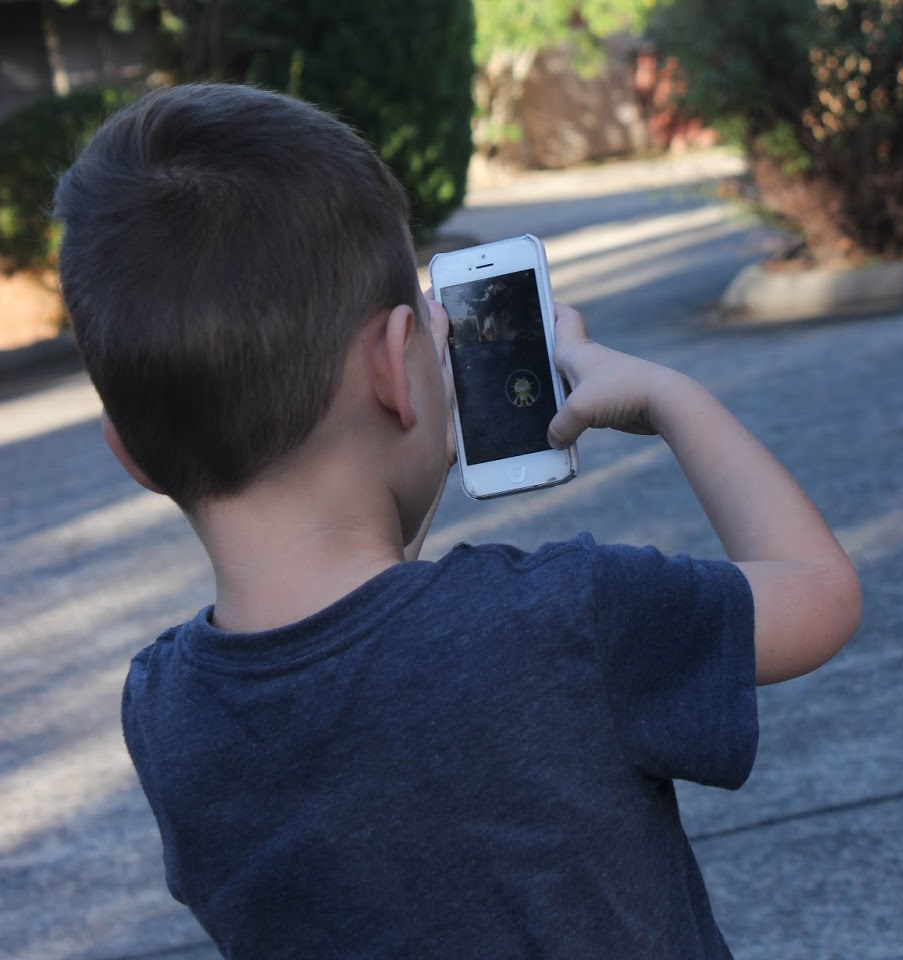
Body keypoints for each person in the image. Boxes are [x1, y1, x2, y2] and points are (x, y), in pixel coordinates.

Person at [53, 82, 861, 960]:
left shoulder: (165, 712)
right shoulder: (562, 620)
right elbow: (818, 593)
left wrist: (398, 465)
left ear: (129, 451)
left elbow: (361, 680)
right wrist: (672, 399)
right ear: (393, 371)